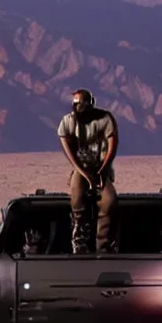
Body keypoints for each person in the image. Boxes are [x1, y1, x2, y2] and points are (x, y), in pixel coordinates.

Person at [57, 88, 119, 254]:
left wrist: (102, 170)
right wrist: (83, 173)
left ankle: (103, 244)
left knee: (109, 200)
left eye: (81, 103)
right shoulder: (69, 122)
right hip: (81, 168)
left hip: (101, 168)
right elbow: (68, 150)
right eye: (75, 103)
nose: (78, 107)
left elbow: (112, 145)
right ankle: (79, 240)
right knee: (77, 197)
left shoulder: (105, 119)